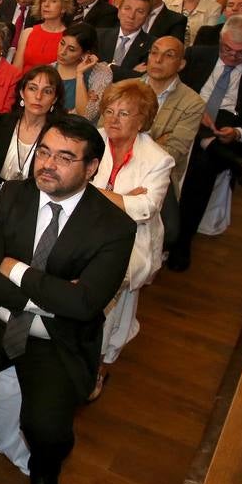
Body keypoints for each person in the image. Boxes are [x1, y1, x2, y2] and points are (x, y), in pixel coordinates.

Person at [0, 114, 136, 484]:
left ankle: (45, 471)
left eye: (64, 158)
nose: (47, 164)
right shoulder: (10, 197)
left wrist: (18, 270)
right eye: (43, 151)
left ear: (91, 167)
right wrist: (55, 293)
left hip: (55, 336)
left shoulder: (115, 226)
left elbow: (83, 306)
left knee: (46, 427)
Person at [168, 16, 242, 271]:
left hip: (229, 126)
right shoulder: (197, 55)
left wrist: (239, 132)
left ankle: (182, 241)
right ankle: (228, 159)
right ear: (221, 40)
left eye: (240, 53)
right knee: (193, 125)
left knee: (202, 165)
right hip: (187, 116)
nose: (231, 57)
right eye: (227, 50)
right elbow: (172, 89)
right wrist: (193, 111)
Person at [89, 81, 174, 400]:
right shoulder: (91, 140)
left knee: (106, 295)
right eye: (109, 111)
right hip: (85, 233)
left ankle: (95, 364)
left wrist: (93, 191)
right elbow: (69, 184)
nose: (113, 119)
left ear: (143, 120)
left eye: (124, 113)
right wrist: (120, 197)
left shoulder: (157, 159)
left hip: (132, 242)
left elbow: (145, 208)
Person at [0, 63, 63, 198]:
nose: (38, 96)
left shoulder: (57, 135)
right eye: (33, 88)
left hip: (32, 200)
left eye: (47, 91)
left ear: (54, 99)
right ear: (22, 92)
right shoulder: (0, 122)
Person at [142, 35, 205, 190]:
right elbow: (104, 137)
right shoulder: (124, 88)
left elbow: (172, 154)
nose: (158, 60)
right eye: (154, 53)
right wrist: (156, 141)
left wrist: (128, 140)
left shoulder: (192, 103)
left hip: (157, 181)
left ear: (181, 64)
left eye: (168, 55)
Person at [54, 22, 112, 123]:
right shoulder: (49, 69)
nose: (62, 52)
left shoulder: (100, 73)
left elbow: (86, 116)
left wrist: (79, 75)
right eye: (62, 43)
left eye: (71, 49)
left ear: (86, 53)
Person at [13, 0, 72, 71]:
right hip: (24, 82)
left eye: (53, 1)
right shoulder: (28, 32)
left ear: (63, 8)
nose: (46, 5)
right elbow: (16, 70)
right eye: (44, 0)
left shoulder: (68, 37)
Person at [97, 0, 153, 79]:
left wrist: (104, 67)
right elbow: (91, 68)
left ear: (147, 17)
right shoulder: (99, 36)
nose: (131, 16)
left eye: (139, 11)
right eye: (127, 9)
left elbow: (142, 78)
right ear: (119, 11)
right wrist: (131, 73)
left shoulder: (152, 45)